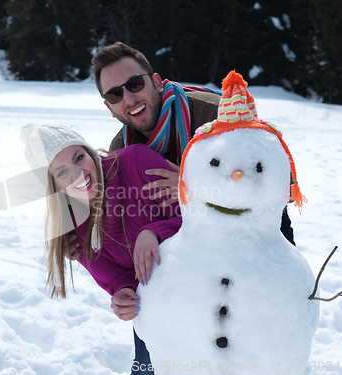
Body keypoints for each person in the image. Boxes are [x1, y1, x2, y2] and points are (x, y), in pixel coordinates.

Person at [89, 41, 296, 374]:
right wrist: (113, 278)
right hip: (176, 260)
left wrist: (193, 189)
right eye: (115, 94)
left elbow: (275, 183)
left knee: (254, 351)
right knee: (156, 354)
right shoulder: (121, 150)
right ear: (108, 106)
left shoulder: (213, 115)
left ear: (156, 81)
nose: (128, 99)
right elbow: (120, 231)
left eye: (134, 84)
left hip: (249, 248)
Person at [20, 124, 183, 371]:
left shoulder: (136, 163)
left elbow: (202, 219)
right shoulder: (72, 223)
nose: (79, 174)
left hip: (205, 287)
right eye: (63, 172)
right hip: (158, 307)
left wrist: (155, 233)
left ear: (89, 151)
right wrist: (123, 295)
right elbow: (119, 277)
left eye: (79, 158)